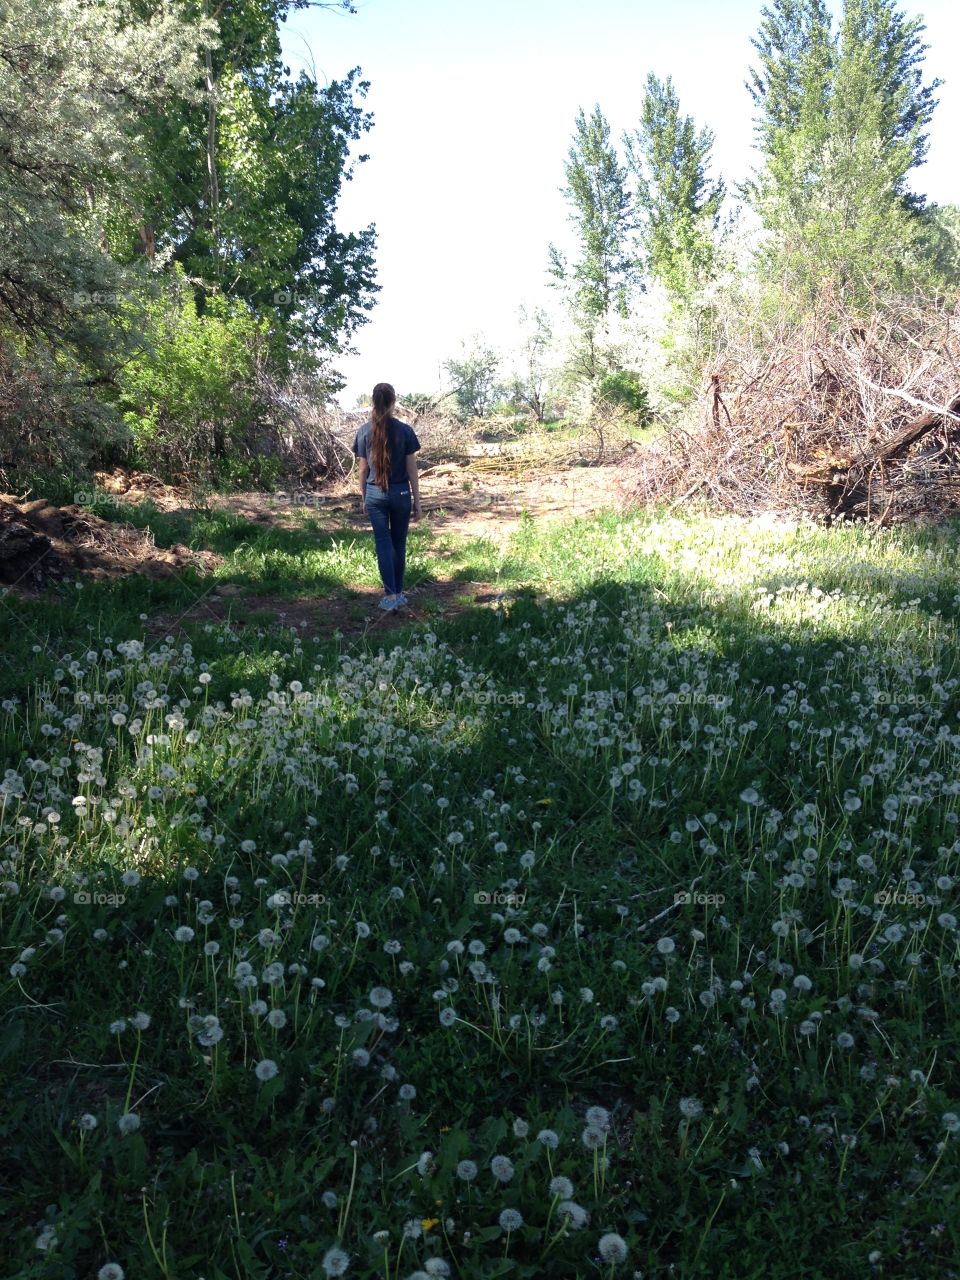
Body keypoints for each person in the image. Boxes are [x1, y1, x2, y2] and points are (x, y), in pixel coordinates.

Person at [352, 382, 422, 611]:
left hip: (375, 494)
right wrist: (417, 503)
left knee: (383, 544)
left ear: (374, 401)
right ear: (393, 402)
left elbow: (362, 470)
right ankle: (399, 594)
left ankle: (390, 597)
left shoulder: (363, 431)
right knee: (399, 544)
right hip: (401, 493)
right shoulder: (405, 431)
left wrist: (364, 497)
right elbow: (412, 470)